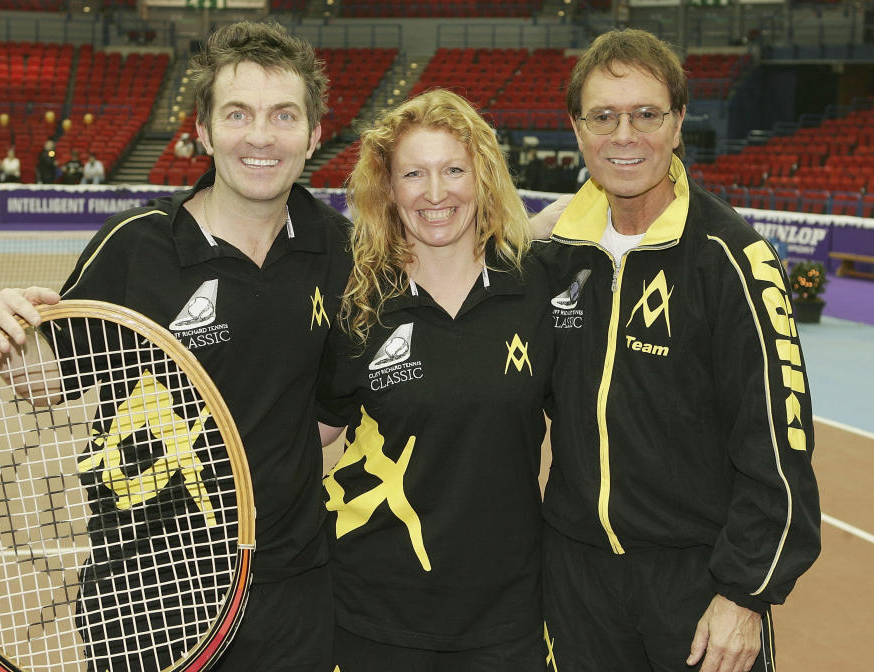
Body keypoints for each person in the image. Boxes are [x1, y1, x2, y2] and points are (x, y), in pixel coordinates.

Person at [0, 20, 352, 672]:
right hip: (142, 588)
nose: (261, 136)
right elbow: (47, 378)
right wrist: (6, 329)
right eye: (237, 114)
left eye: (284, 115)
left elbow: (324, 416)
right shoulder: (137, 246)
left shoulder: (337, 248)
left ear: (314, 133)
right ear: (201, 129)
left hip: (288, 584)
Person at [540, 28, 821, 672]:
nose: (625, 135)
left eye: (646, 114)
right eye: (603, 116)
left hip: (696, 588)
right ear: (577, 129)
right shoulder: (556, 257)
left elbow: (779, 445)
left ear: (678, 122)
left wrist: (745, 593)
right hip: (576, 579)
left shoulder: (732, 260)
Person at [316, 89, 555, 671]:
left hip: (508, 616)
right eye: (414, 174)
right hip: (373, 611)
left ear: (484, 177)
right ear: (389, 189)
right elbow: (309, 435)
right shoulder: (358, 302)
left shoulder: (538, 287)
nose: (435, 193)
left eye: (454, 170)